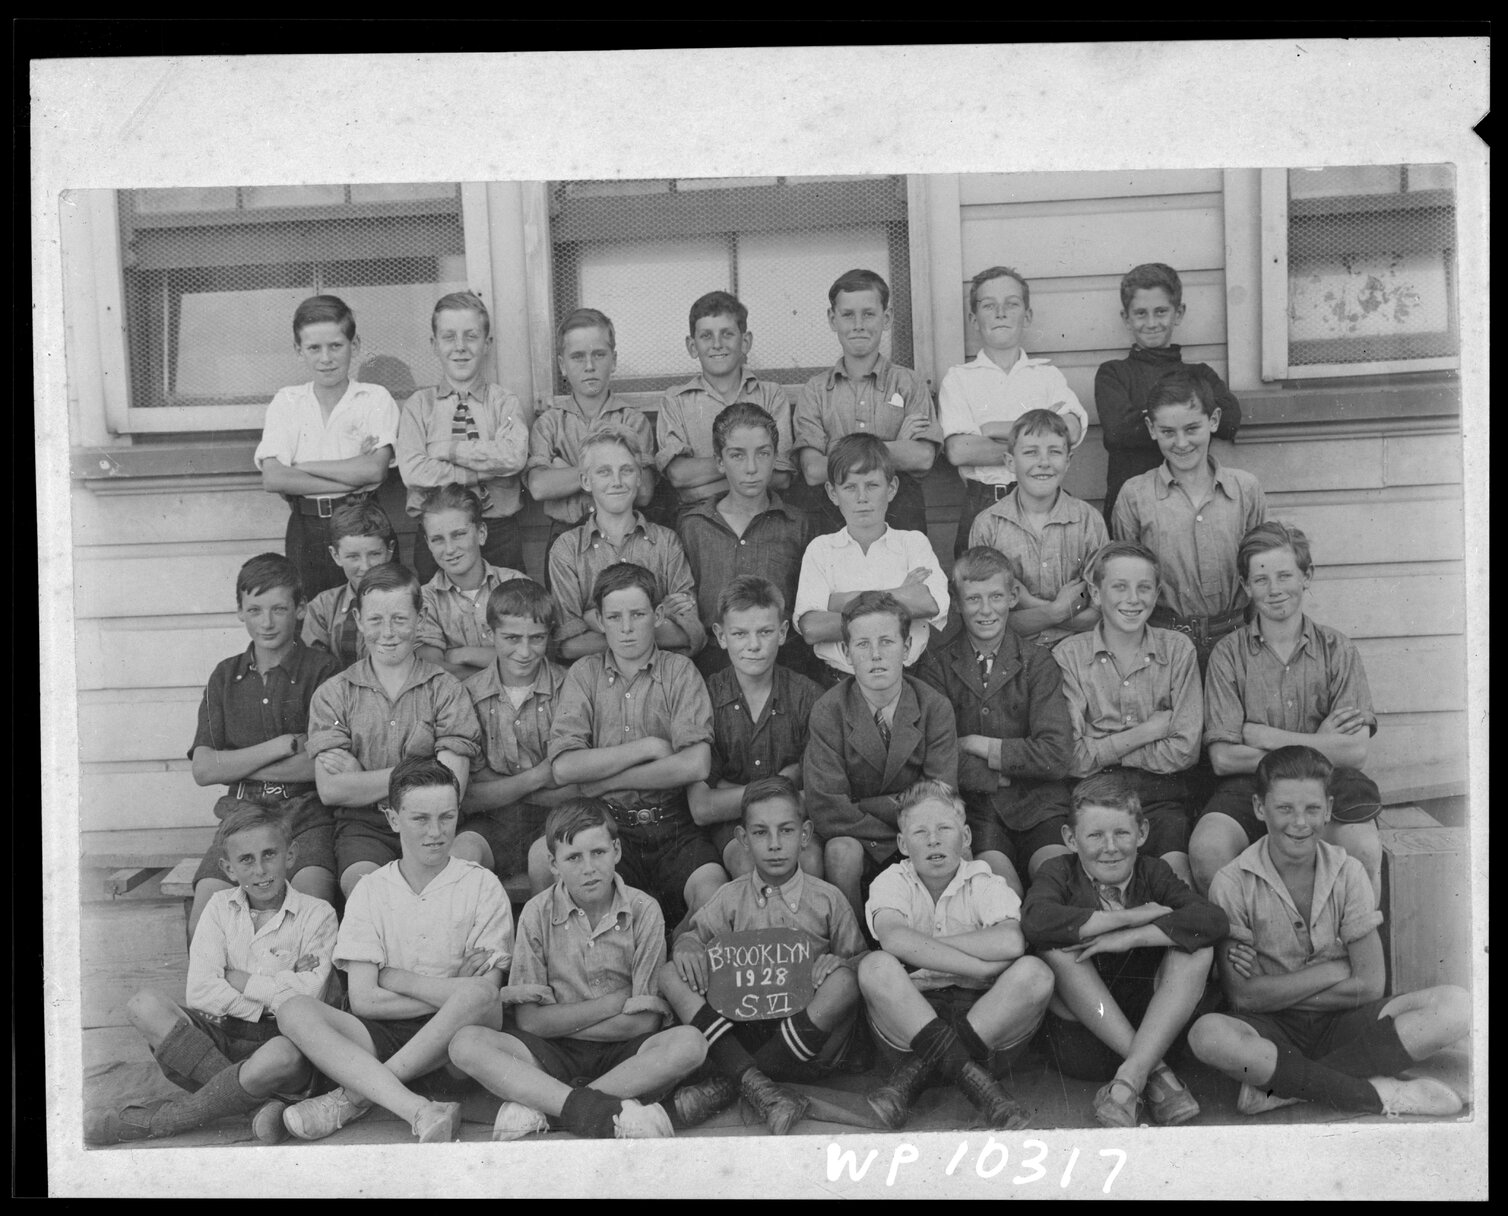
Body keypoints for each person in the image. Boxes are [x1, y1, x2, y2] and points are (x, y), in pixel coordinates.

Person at [1188, 746, 1469, 1120]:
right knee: (1207, 1035)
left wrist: (1277, 989)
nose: (1300, 823)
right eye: (1284, 808)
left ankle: (1284, 1087)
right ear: (1259, 808)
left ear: (1329, 807)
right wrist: (1334, 970)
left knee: (1458, 1006)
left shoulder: (1348, 872)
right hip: (1274, 1031)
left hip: (1345, 1022)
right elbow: (1244, 1000)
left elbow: (1370, 985)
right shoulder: (1232, 881)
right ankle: (1375, 1094)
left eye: (1312, 809)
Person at [274, 758, 518, 1143]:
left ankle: (353, 1097)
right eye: (420, 819)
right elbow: (366, 1001)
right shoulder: (371, 889)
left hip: (458, 1038)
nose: (436, 832)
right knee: (292, 1009)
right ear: (392, 819)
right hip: (384, 1033)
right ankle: (418, 1109)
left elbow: (486, 996)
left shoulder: (481, 885)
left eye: (447, 817)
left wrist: (398, 978)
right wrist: (449, 989)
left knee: (478, 995)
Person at [449, 799, 705, 1141]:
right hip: (553, 1055)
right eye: (573, 858)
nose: (589, 868)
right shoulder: (536, 913)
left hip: (624, 1052)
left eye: (598, 853)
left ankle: (557, 1107)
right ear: (553, 864)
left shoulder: (644, 910)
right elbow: (529, 1021)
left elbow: (645, 1021)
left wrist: (559, 1020)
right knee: (465, 1043)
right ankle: (607, 1108)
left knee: (690, 1043)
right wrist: (613, 1003)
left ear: (616, 850)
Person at [84, 807, 338, 1145]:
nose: (260, 870)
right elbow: (201, 992)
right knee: (143, 1005)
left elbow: (310, 998)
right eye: (246, 860)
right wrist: (274, 993)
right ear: (228, 869)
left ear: (290, 855)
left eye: (269, 855)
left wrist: (243, 981)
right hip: (221, 1032)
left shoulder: (317, 914)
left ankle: (160, 1120)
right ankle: (254, 1109)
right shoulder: (219, 907)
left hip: (281, 1044)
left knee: (282, 1053)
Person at [659, 777, 867, 1135]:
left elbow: (861, 960)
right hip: (740, 1032)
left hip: (807, 1039)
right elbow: (693, 937)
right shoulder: (729, 897)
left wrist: (841, 963)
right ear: (742, 840)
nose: (774, 845)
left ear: (804, 835)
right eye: (760, 833)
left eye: (785, 831)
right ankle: (762, 1084)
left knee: (846, 982)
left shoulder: (827, 899)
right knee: (669, 974)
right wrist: (687, 943)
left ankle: (737, 1082)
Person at [1191, 522, 1385, 899]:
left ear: (1306, 576)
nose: (1274, 590)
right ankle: (1244, 949)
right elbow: (1224, 759)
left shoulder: (1337, 649)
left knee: (1362, 849)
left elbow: (1355, 752)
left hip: (1330, 782)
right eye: (1261, 580)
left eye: (1285, 575)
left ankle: (1350, 951)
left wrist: (1266, 736)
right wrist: (1320, 741)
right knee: (1207, 850)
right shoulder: (1229, 655)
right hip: (1251, 783)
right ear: (1246, 587)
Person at [1021, 772, 1225, 1128]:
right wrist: (1126, 917)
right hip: (1084, 1043)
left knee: (1198, 951)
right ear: (1071, 838)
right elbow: (1036, 921)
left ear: (1142, 833)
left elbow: (1212, 920)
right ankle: (1154, 1074)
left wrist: (1134, 935)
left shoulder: (1153, 871)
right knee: (1056, 948)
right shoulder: (1058, 871)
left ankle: (1129, 1081)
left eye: (1122, 833)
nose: (1110, 847)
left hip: (1154, 1027)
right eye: (1095, 835)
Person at [859, 781, 1054, 1130]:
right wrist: (979, 965)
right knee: (875, 966)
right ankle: (983, 1090)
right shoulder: (891, 880)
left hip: (982, 1017)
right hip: (912, 1019)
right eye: (920, 832)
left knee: (1036, 973)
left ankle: (915, 1076)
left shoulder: (984, 880)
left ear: (964, 837)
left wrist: (927, 948)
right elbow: (895, 939)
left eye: (944, 829)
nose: (933, 839)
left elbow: (1010, 941)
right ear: (903, 843)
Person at [546, 562, 726, 932]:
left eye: (638, 614)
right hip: (608, 828)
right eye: (614, 617)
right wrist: (648, 746)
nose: (626, 629)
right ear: (599, 619)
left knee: (712, 894)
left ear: (658, 615)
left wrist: (607, 780)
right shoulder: (585, 674)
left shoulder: (679, 671)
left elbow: (695, 765)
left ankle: (674, 957)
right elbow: (564, 767)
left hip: (673, 824)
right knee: (603, 911)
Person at [186, 553, 342, 937]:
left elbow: (316, 766)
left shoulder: (324, 670)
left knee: (309, 905)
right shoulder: (225, 676)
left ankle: (299, 997)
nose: (267, 622)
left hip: (306, 814)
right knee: (207, 914)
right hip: (242, 813)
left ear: (301, 609)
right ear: (240, 611)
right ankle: (224, 999)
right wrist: (280, 746)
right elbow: (204, 769)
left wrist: (234, 763)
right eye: (254, 609)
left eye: (278, 609)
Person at [305, 562, 482, 898]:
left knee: (443, 887)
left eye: (400, 619)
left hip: (434, 825)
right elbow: (330, 790)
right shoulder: (334, 693)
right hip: (365, 829)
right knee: (364, 887)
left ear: (421, 617)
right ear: (358, 620)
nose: (387, 632)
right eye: (375, 620)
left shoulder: (445, 689)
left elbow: (452, 788)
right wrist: (422, 769)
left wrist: (361, 777)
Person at [916, 547, 1075, 898]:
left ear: (1013, 597)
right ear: (956, 602)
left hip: (1041, 805)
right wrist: (997, 773)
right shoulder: (937, 667)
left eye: (996, 597)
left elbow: (1056, 753)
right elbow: (937, 755)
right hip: (980, 809)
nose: (985, 610)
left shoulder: (1039, 662)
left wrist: (975, 743)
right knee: (1003, 890)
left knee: (1058, 882)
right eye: (973, 599)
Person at [1053, 540, 1203, 887]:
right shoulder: (1068, 657)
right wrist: (1149, 731)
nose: (1132, 599)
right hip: (1092, 797)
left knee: (1176, 882)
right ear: (1095, 590)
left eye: (1144, 587)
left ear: (1157, 592)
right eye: (1119, 586)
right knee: (1096, 889)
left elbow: (1184, 749)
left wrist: (1103, 747)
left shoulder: (1178, 650)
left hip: (1161, 797)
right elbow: (1073, 758)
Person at [803, 591, 960, 919]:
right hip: (860, 837)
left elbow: (939, 797)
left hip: (916, 833)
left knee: (951, 842)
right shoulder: (828, 710)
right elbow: (828, 808)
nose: (875, 655)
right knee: (840, 851)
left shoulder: (933, 707)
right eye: (862, 644)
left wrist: (868, 806)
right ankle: (853, 943)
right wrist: (898, 827)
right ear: (846, 652)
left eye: (887, 642)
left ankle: (937, 934)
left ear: (906, 648)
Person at [1111, 370, 1266, 671]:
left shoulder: (1245, 489)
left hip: (1235, 637)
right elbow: (1123, 580)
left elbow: (1262, 571)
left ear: (1214, 420)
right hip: (1162, 641)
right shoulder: (1135, 495)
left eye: (1192, 428)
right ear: (1151, 428)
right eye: (1168, 432)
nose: (1181, 443)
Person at [939, 266, 1089, 558]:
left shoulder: (1046, 375)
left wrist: (993, 428)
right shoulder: (960, 378)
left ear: (1027, 316)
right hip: (984, 500)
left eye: (1012, 304)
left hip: (1045, 499)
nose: (1000, 313)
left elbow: (1069, 431)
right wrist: (1040, 444)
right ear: (973, 318)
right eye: (988, 306)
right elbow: (959, 450)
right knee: (982, 590)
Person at [255, 295, 398, 598]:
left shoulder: (374, 398)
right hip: (306, 529)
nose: (326, 358)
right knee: (310, 619)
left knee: (374, 609)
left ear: (354, 345)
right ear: (298, 350)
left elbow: (374, 470)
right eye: (313, 348)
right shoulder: (288, 401)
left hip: (363, 526)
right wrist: (351, 469)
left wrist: (302, 467)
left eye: (336, 346)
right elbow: (274, 478)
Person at [688, 576, 825, 880]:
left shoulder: (808, 696)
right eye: (739, 634)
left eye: (765, 632)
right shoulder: (703, 697)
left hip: (791, 820)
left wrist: (729, 792)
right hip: (732, 825)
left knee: (811, 859)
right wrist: (780, 782)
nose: (753, 645)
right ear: (721, 636)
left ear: (783, 632)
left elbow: (816, 794)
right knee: (748, 864)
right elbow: (701, 807)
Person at [791, 268, 941, 535]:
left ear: (887, 318)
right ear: (832, 319)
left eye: (869, 314)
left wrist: (836, 450)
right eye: (848, 315)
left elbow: (922, 457)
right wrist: (895, 446)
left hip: (899, 516)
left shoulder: (909, 383)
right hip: (833, 519)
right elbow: (813, 470)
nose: (858, 325)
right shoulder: (815, 391)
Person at [395, 290, 533, 579]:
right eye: (449, 337)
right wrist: (477, 472)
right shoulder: (419, 406)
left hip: (497, 529)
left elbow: (512, 456)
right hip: (437, 532)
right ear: (434, 344)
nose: (460, 347)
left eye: (471, 336)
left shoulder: (504, 402)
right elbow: (413, 471)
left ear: (487, 343)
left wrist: (449, 451)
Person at [794, 434, 950, 684]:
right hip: (840, 681)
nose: (862, 498)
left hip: (907, 678)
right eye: (849, 487)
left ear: (892, 488)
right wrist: (900, 596)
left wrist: (839, 602)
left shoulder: (912, 543)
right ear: (833, 493)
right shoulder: (821, 549)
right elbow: (812, 628)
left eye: (872, 485)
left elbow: (930, 603)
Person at [1095, 262, 1243, 522]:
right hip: (1133, 509)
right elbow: (1119, 431)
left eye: (1161, 311)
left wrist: (1148, 420)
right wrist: (1191, 418)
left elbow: (1229, 419)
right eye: (1141, 313)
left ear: (1178, 313)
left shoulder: (1200, 374)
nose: (1152, 323)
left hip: (1191, 504)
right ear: (1126, 318)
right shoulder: (1114, 374)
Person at [676, 401, 813, 679]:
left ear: (775, 457)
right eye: (737, 456)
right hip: (712, 664)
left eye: (762, 454)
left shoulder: (797, 524)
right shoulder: (693, 525)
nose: (751, 468)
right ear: (719, 462)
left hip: (782, 664)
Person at [459, 579, 579, 891]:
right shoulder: (467, 695)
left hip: (556, 817)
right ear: (490, 635)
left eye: (537, 639)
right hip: (492, 821)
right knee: (461, 858)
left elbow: (575, 784)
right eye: (511, 638)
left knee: (547, 861)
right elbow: (469, 796)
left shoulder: (569, 688)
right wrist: (538, 775)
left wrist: (501, 788)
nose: (524, 652)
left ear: (549, 636)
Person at [547, 425, 704, 661]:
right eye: (604, 472)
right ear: (585, 481)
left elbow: (687, 634)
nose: (617, 481)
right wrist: (653, 617)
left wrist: (595, 619)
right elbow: (570, 645)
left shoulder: (665, 542)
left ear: (639, 477)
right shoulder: (567, 549)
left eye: (627, 470)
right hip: (596, 684)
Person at [967, 409, 1107, 649]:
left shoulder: (1088, 521)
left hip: (1078, 651)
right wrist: (1056, 610)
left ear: (1068, 460)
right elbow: (991, 618)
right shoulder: (988, 525)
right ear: (1010, 462)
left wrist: (1029, 603)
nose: (1043, 462)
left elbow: (1096, 606)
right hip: (1013, 653)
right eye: (1031, 452)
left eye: (1054, 452)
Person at [527, 308, 658, 560]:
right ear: (562, 365)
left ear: (614, 359)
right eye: (577, 357)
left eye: (599, 354)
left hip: (623, 537)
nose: (589, 366)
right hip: (565, 537)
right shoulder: (549, 424)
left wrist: (568, 472)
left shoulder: (632, 420)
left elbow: (643, 493)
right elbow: (539, 487)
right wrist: (611, 474)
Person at [656, 290, 795, 517]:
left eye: (727, 334)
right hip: (699, 519)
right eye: (706, 336)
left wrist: (701, 485)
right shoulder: (676, 401)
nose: (717, 344)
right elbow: (679, 475)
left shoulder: (770, 395)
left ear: (746, 341)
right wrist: (750, 466)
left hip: (763, 517)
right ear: (692, 346)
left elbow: (780, 476)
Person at [413, 484, 527, 681]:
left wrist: (463, 654)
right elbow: (434, 671)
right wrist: (501, 667)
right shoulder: (424, 600)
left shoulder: (516, 585)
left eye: (459, 534)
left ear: (481, 533)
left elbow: (528, 656)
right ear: (428, 544)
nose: (450, 549)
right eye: (438, 539)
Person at [301, 498, 398, 669]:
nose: (365, 567)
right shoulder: (322, 608)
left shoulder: (410, 600)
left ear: (390, 550)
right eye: (353, 556)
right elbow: (314, 671)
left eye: (374, 554)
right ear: (335, 555)